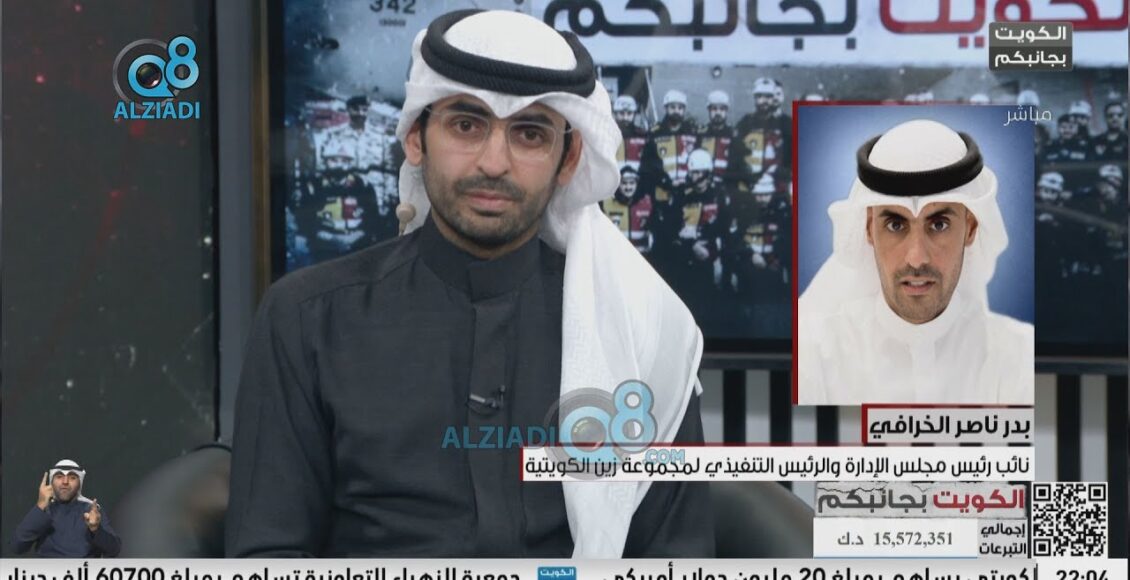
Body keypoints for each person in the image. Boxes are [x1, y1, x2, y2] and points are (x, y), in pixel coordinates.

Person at [226, 9, 712, 558]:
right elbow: (268, 554)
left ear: (569, 158)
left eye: (529, 134)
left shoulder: (640, 330)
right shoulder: (307, 318)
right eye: (466, 125)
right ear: (416, 137)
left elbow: (678, 558)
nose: (494, 163)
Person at [798, 119, 1034, 405]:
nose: (917, 258)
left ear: (970, 228)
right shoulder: (812, 358)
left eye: (939, 225)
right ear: (869, 228)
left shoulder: (1020, 358)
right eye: (895, 225)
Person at [11, 460, 122, 557]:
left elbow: (114, 550)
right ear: (51, 481)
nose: (65, 482)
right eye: (59, 477)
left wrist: (96, 529)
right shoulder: (43, 510)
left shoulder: (92, 511)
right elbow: (17, 547)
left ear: (80, 483)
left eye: (72, 477)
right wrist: (40, 506)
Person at [696, 90, 735, 183]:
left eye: (722, 109)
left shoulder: (733, 135)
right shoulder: (700, 134)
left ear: (726, 111)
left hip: (727, 184)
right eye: (714, 109)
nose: (718, 113)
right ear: (708, 110)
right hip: (705, 184)